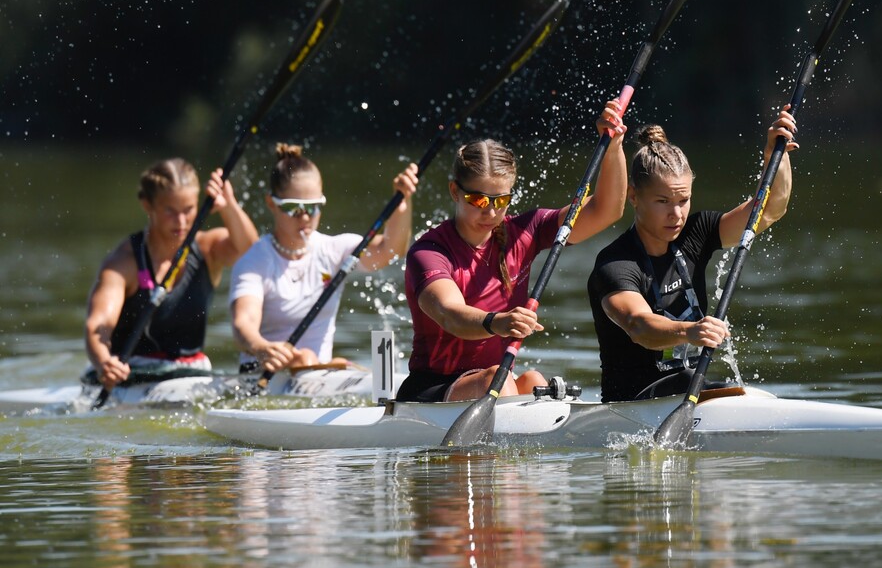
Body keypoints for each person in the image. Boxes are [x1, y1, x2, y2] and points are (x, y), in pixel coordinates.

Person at [396, 100, 628, 403]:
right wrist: (498, 322)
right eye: (479, 200)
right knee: (500, 379)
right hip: (431, 388)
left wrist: (613, 147)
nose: (491, 212)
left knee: (533, 380)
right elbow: (450, 315)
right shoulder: (429, 252)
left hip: (494, 381)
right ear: (455, 191)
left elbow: (606, 211)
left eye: (501, 199)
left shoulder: (525, 232)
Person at [588, 107, 797, 403]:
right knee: (696, 381)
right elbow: (638, 326)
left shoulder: (696, 233)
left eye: (683, 200)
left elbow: (770, 210)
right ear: (634, 197)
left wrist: (776, 155)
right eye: (662, 201)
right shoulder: (616, 263)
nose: (676, 214)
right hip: (632, 401)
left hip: (689, 391)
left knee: (738, 392)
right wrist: (690, 331)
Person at [230, 144, 419, 375]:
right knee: (305, 359)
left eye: (314, 207)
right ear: (271, 203)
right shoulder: (255, 261)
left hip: (317, 371)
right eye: (294, 208)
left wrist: (402, 202)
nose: (306, 217)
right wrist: (260, 347)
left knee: (310, 359)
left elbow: (391, 250)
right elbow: (243, 323)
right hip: (263, 375)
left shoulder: (333, 249)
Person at [84, 158, 259, 390]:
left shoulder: (207, 250)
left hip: (192, 374)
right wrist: (104, 362)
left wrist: (229, 206)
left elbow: (253, 253)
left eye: (189, 210)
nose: (181, 222)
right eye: (170, 211)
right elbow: (98, 327)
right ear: (148, 206)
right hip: (132, 375)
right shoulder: (124, 264)